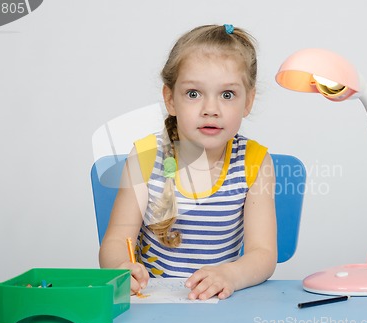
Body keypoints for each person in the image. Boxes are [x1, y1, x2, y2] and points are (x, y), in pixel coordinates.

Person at [99, 24, 277, 300]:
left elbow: (262, 254)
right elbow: (114, 242)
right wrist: (121, 268)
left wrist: (230, 275)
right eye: (193, 93)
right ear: (170, 99)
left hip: (219, 304)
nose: (210, 109)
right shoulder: (144, 156)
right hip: (152, 303)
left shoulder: (255, 161)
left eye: (227, 95)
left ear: (248, 101)